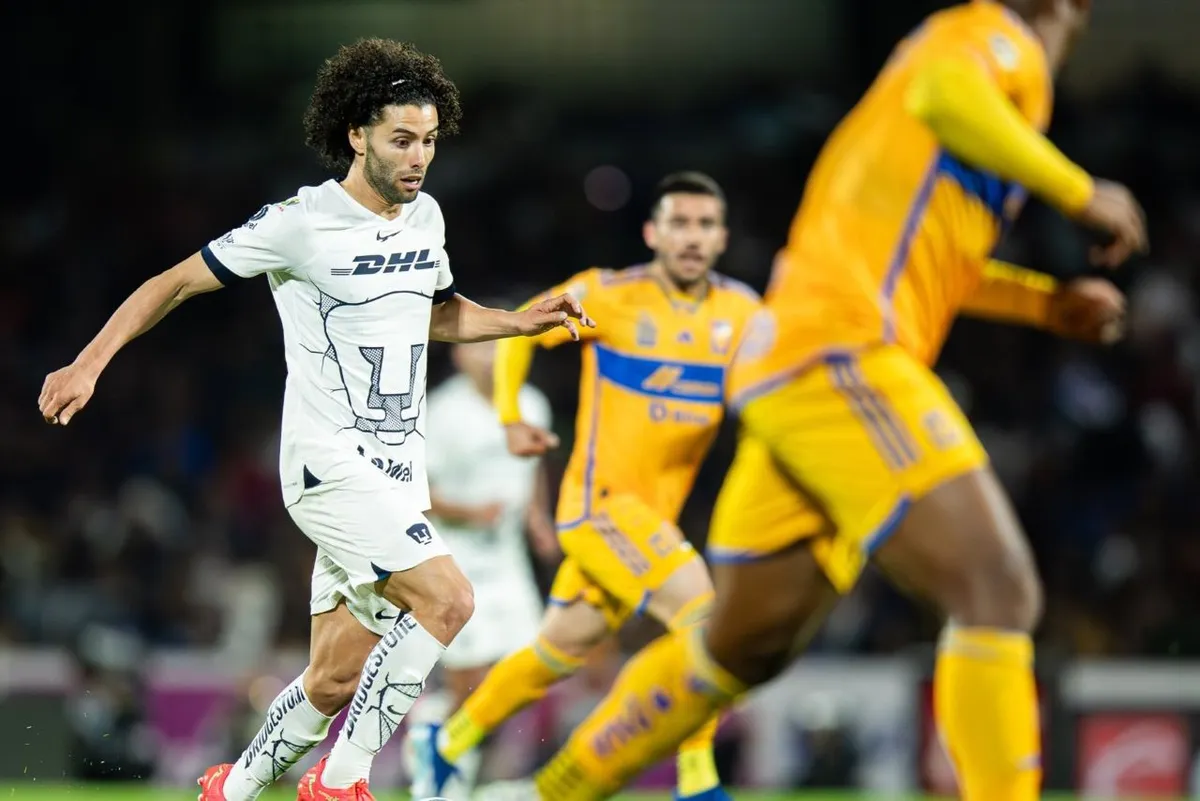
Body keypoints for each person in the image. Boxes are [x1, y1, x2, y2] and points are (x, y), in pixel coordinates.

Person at [521, 2, 1148, 800]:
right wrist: (1077, 188)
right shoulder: (993, 40)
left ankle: (545, 792)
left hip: (796, 360)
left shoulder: (974, 101)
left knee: (741, 646)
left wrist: (1047, 305)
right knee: (996, 589)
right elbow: (940, 95)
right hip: (840, 351)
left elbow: (942, 260)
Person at [36, 38, 593, 801]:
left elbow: (431, 314)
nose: (419, 157)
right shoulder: (300, 222)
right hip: (327, 462)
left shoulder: (425, 217)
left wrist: (517, 323)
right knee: (449, 598)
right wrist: (90, 361)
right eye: (402, 139)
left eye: (428, 141)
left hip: (397, 475)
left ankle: (228, 790)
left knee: (333, 678)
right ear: (357, 134)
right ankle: (341, 782)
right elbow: (172, 283)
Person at [409, 172, 761, 801]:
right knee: (705, 618)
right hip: (601, 510)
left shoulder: (742, 313)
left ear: (723, 238)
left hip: (655, 521)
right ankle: (697, 778)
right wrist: (511, 417)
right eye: (679, 223)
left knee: (557, 652)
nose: (692, 237)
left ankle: (451, 741)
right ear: (652, 233)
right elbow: (524, 330)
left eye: (705, 225)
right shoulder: (610, 293)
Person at [407, 335, 560, 792]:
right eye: (482, 346)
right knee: (468, 679)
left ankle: (453, 748)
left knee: (524, 669)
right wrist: (471, 513)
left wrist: (539, 520)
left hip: (508, 555)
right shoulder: (442, 411)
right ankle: (442, 751)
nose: (492, 356)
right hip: (456, 558)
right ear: (459, 352)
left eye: (501, 347)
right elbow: (414, 491)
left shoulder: (530, 403)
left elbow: (533, 469)